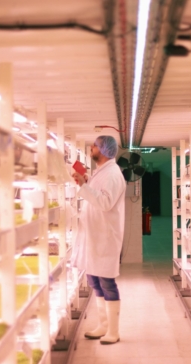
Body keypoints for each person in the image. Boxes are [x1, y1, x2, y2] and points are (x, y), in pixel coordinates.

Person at [71, 135, 126, 345]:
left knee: (106, 281)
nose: (91, 148)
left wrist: (84, 188)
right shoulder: (101, 172)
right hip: (94, 235)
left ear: (103, 150)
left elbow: (104, 203)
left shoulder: (112, 174)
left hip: (105, 236)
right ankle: (103, 324)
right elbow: (97, 195)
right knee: (94, 280)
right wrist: (85, 182)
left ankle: (113, 330)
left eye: (94, 146)